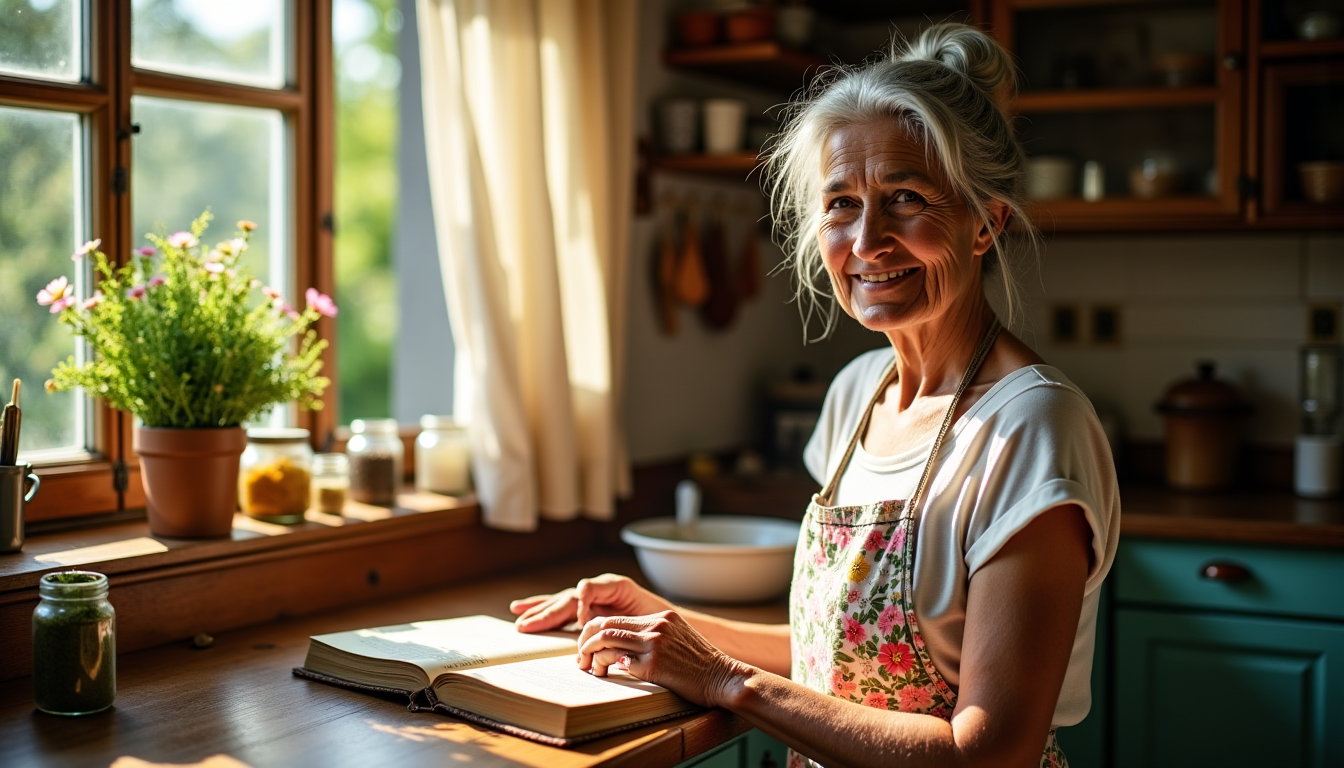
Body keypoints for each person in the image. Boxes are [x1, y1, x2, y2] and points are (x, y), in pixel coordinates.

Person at [510, 22, 1119, 768]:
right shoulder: (857, 393)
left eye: (905, 199)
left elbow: (987, 754)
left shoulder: (1033, 427)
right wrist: (666, 621)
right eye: (841, 205)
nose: (866, 242)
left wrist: (724, 680)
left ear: (984, 224)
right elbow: (838, 658)